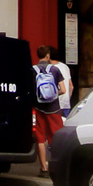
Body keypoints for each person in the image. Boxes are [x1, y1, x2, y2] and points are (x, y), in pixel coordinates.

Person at [33, 45, 66, 177]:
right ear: (47, 56)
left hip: (39, 107)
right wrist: (52, 95)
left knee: (40, 138)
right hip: (54, 108)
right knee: (56, 137)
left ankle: (43, 168)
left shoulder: (32, 70)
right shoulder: (54, 69)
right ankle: (57, 166)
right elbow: (63, 90)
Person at [49, 51, 74, 118]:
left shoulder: (51, 69)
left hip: (56, 104)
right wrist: (67, 98)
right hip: (66, 103)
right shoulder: (65, 67)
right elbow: (71, 86)